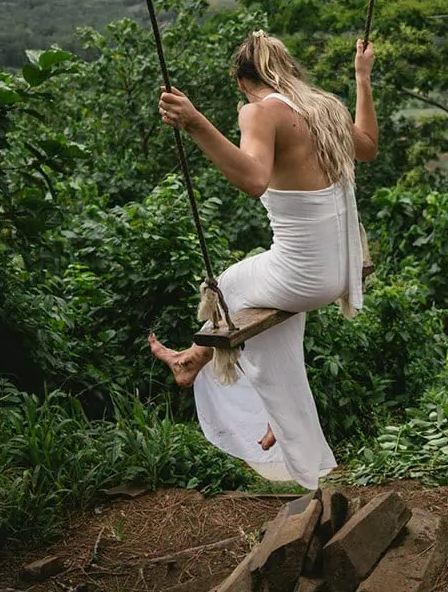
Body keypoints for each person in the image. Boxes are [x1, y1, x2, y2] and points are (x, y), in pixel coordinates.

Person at [147, 32, 378, 491]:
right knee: (274, 340)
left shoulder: (259, 111)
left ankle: (193, 360)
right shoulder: (325, 108)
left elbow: (253, 179)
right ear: (288, 68)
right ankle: (301, 444)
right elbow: (368, 145)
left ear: (240, 82)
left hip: (304, 277)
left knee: (226, 287)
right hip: (344, 270)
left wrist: (196, 123)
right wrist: (361, 78)